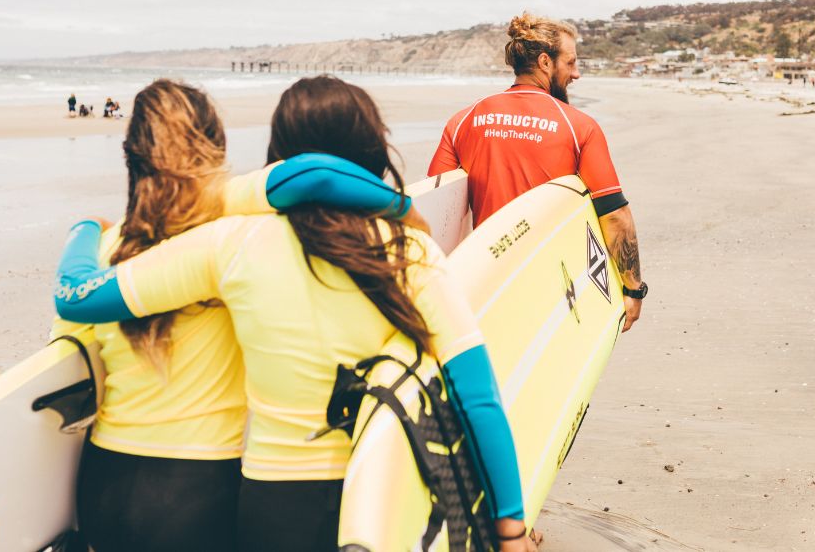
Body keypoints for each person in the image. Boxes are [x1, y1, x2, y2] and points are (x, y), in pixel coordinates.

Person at [55, 76, 533, 552]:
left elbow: (82, 297)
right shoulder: (410, 252)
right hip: (376, 495)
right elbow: (478, 396)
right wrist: (509, 526)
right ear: (372, 151)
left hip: (267, 503)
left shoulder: (231, 244)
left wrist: (85, 231)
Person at [428, 12, 646, 332]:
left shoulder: (462, 121)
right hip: (554, 290)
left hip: (485, 284)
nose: (577, 73)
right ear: (545, 62)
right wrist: (632, 289)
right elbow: (615, 215)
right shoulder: (579, 127)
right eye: (570, 63)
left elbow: (439, 211)